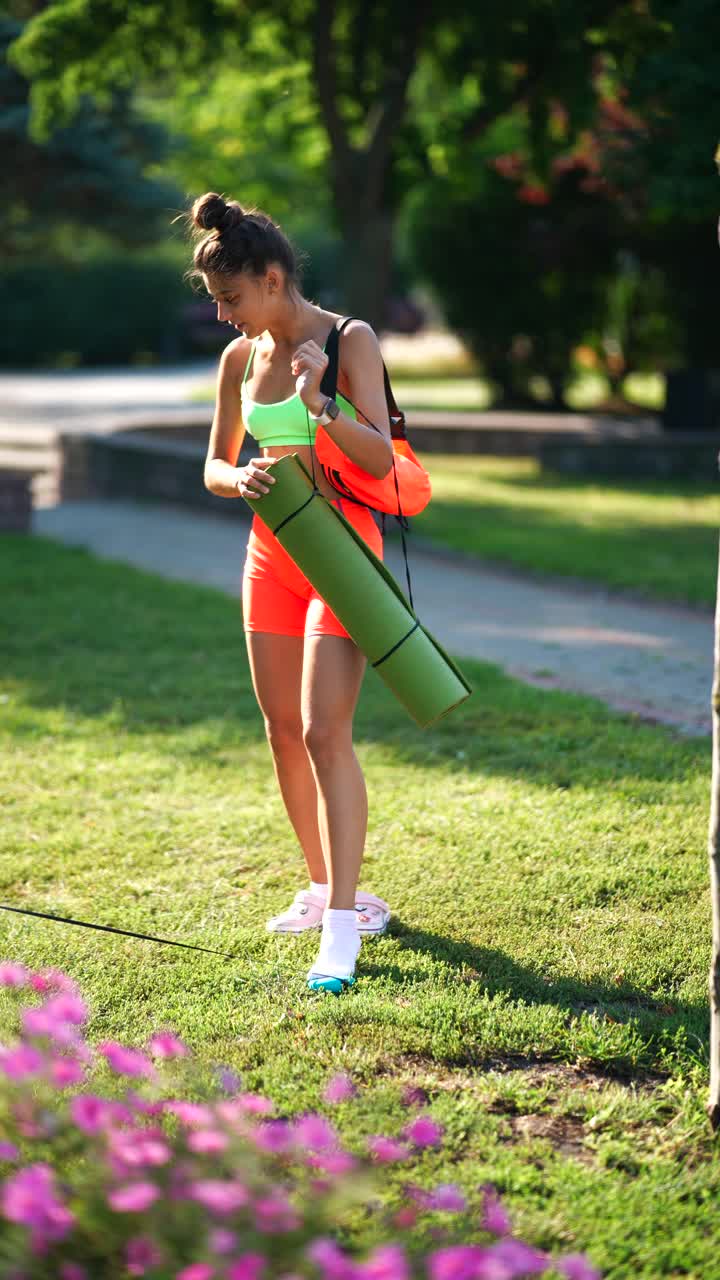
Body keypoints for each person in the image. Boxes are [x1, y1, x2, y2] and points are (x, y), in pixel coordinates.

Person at [189, 191, 393, 994]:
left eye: (231, 297)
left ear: (272, 279)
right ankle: (321, 888)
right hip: (269, 558)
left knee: (323, 732)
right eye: (217, 301)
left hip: (342, 555)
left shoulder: (349, 340)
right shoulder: (238, 360)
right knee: (280, 731)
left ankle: (343, 928)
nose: (224, 315)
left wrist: (322, 406)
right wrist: (237, 477)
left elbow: (380, 459)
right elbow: (213, 463)